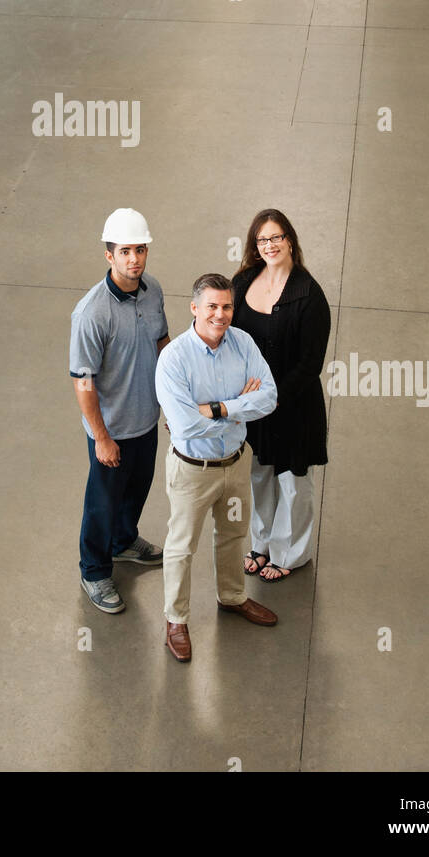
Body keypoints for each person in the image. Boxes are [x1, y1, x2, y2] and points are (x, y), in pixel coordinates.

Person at [155, 274, 279, 662]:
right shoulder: (173, 359)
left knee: (233, 534)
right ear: (194, 308)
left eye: (226, 307)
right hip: (193, 470)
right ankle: (176, 620)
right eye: (211, 306)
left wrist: (218, 408)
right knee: (181, 546)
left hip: (236, 463)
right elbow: (185, 426)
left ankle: (232, 597)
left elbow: (270, 397)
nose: (220, 315)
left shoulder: (242, 343)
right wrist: (239, 407)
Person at [70, 209, 170, 614]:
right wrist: (102, 437)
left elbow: (164, 343)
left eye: (140, 250)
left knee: (138, 488)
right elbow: (83, 382)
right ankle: (94, 570)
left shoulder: (154, 290)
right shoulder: (92, 313)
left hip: (146, 418)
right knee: (102, 503)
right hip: (112, 428)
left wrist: (175, 400)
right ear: (109, 255)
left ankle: (124, 541)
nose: (135, 259)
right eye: (125, 251)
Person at [232, 210, 331, 584]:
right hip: (253, 402)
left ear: (290, 239)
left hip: (293, 403)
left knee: (292, 481)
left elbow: (310, 364)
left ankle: (290, 552)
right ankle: (261, 544)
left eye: (276, 237)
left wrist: (273, 398)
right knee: (259, 474)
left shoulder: (309, 295)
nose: (270, 245)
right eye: (262, 240)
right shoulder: (242, 283)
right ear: (255, 247)